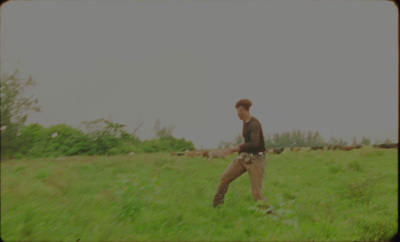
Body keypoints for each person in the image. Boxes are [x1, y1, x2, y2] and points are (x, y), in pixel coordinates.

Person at [213, 99, 271, 211]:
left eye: (237, 111)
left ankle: (270, 215)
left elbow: (254, 143)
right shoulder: (245, 123)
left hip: (256, 160)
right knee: (225, 177)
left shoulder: (254, 124)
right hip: (244, 157)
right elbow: (247, 143)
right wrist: (230, 150)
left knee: (256, 194)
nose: (237, 114)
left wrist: (235, 148)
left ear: (241, 109)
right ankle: (217, 206)